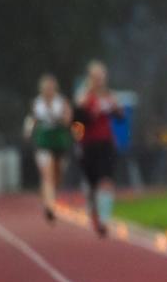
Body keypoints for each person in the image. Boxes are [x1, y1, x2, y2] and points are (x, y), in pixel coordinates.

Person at [74, 61, 123, 237]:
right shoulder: (83, 96)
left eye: (102, 76)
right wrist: (89, 115)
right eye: (96, 77)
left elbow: (120, 117)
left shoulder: (110, 96)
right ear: (90, 78)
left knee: (106, 180)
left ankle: (104, 220)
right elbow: (76, 124)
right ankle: (94, 213)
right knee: (92, 187)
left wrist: (116, 109)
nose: (99, 80)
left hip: (106, 143)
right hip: (88, 145)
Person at [24, 75, 73, 220]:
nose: (48, 91)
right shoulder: (36, 103)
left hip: (59, 142)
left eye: (51, 88)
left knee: (57, 177)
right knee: (47, 175)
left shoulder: (62, 102)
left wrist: (55, 116)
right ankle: (50, 207)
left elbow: (68, 120)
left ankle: (48, 197)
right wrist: (28, 131)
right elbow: (31, 119)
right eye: (46, 88)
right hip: (43, 143)